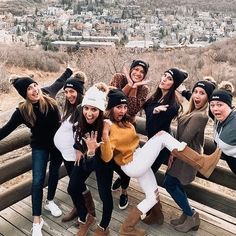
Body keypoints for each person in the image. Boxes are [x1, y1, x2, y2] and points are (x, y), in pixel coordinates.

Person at [99, 88, 221, 236]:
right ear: (110, 108)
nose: (122, 110)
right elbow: (106, 157)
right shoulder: (108, 126)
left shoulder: (127, 123)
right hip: (131, 164)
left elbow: (136, 141)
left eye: (124, 107)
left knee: (152, 196)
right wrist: (105, 133)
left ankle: (128, 228)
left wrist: (155, 115)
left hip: (138, 158)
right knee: (163, 136)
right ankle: (201, 163)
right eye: (118, 107)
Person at [0, 68, 72, 236]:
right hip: (39, 147)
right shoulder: (22, 111)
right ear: (24, 94)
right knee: (38, 181)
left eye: (34, 85)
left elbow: (60, 81)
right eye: (29, 89)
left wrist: (69, 70)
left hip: (57, 145)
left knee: (54, 172)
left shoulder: (48, 94)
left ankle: (50, 201)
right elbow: (5, 130)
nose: (34, 90)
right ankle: (37, 220)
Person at [163, 80, 216, 233]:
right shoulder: (191, 110)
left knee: (170, 184)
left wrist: (173, 153)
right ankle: (187, 214)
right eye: (196, 92)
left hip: (187, 156)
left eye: (202, 93)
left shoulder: (201, 116)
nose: (197, 96)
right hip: (182, 154)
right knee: (176, 184)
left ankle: (191, 215)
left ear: (208, 98)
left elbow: (185, 137)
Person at [67, 83, 113, 236]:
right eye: (87, 108)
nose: (89, 113)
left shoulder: (106, 125)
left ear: (101, 111)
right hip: (88, 155)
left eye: (94, 109)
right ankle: (85, 217)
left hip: (104, 161)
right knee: (73, 187)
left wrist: (93, 150)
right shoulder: (80, 114)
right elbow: (77, 133)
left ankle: (104, 227)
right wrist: (78, 148)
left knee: (105, 195)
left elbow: (103, 159)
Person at [53, 71, 96, 222]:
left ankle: (85, 213)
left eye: (72, 91)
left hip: (75, 156)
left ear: (79, 91)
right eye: (66, 92)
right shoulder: (70, 107)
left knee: (73, 187)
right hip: (67, 155)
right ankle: (81, 209)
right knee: (77, 185)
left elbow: (88, 131)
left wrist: (79, 148)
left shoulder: (84, 108)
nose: (68, 95)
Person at [109, 59, 149, 209]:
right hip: (111, 126)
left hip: (127, 127)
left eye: (142, 72)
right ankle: (119, 176)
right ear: (131, 69)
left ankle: (124, 192)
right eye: (136, 69)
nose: (137, 73)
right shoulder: (119, 78)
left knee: (125, 161)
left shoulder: (143, 89)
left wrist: (134, 88)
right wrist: (129, 85)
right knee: (109, 158)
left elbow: (131, 110)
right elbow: (110, 99)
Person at [209, 82, 236, 174]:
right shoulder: (219, 119)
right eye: (212, 105)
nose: (215, 108)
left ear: (229, 105)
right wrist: (183, 92)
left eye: (219, 105)